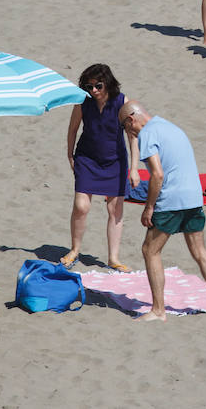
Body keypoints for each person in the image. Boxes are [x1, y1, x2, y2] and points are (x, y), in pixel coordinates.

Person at [121, 103, 206, 322]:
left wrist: (149, 207)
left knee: (150, 250)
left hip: (172, 199)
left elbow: (157, 175)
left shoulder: (147, 134)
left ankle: (158, 310)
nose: (127, 133)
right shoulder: (170, 127)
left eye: (125, 127)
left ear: (132, 119)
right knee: (199, 251)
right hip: (194, 196)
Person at [60, 64, 130, 271]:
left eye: (98, 86)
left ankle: (114, 258)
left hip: (115, 160)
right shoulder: (83, 102)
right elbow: (73, 129)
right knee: (81, 206)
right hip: (87, 157)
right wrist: (70, 155)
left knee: (114, 208)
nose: (94, 91)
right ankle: (74, 249)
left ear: (107, 83)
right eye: (89, 87)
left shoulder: (122, 101)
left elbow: (133, 136)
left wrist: (134, 167)